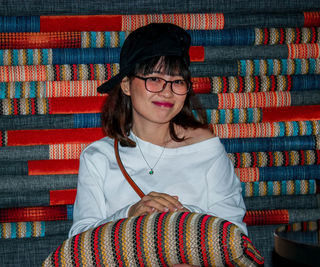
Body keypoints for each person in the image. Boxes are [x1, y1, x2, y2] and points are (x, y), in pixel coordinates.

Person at [69, 23, 247, 239]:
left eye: (178, 81)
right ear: (126, 85)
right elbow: (78, 239)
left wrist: (185, 217)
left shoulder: (207, 149)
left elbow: (235, 235)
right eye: (154, 79)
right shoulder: (98, 157)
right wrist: (129, 214)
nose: (167, 92)